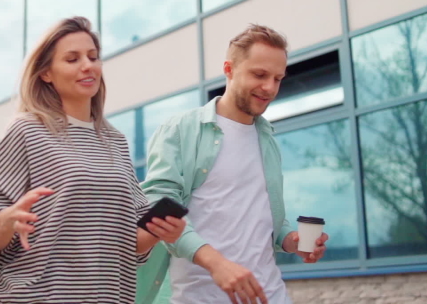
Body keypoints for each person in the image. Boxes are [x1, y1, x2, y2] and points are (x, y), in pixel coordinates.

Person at [0, 17, 186, 304]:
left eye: (93, 57)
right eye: (72, 59)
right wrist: (8, 219)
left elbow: (130, 244)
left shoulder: (115, 142)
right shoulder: (27, 131)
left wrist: (160, 231)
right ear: (46, 73)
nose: (88, 65)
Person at [138, 24, 329, 304]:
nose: (270, 88)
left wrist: (290, 240)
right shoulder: (181, 130)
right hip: (201, 297)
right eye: (260, 75)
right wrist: (217, 263)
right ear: (228, 69)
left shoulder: (267, 140)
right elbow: (158, 207)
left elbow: (263, 216)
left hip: (271, 295)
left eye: (278, 78)